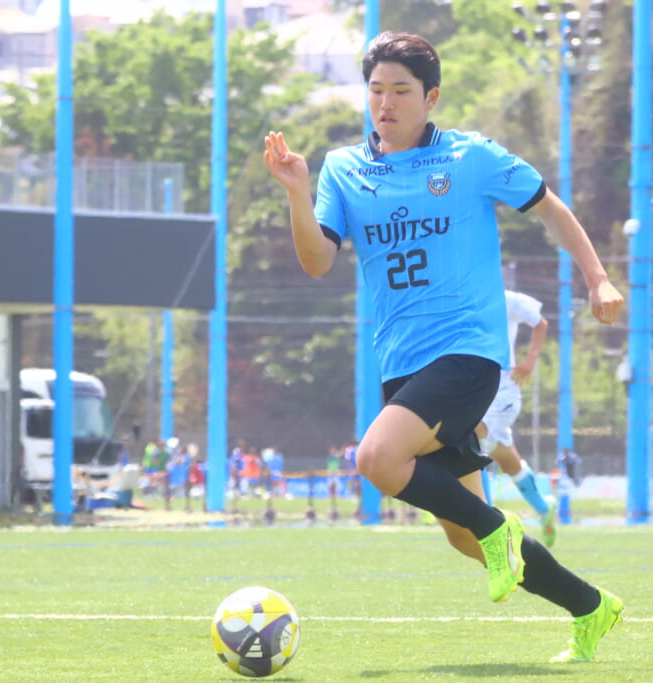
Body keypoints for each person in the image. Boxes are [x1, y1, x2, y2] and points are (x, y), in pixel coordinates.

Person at [263, 31, 625, 663]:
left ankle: (499, 531)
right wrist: (296, 190)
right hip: (400, 364)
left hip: (467, 354)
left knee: (377, 458)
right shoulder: (342, 168)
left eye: (401, 91)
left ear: (430, 97)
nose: (386, 103)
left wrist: (597, 277)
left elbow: (549, 207)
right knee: (464, 535)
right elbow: (317, 260)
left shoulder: (470, 157)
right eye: (376, 90)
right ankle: (591, 607)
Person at [476, 289, 556, 546]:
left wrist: (530, 360)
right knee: (508, 461)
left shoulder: (507, 298)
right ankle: (544, 508)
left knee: (469, 439)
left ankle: (487, 525)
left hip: (503, 391)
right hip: (476, 392)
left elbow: (540, 323)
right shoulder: (464, 297)